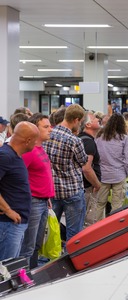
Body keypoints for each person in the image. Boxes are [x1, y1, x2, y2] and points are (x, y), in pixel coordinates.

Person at [44, 104, 88, 243]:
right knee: (74, 233)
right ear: (76, 120)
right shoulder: (74, 140)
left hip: (53, 191)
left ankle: (48, 259)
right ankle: (72, 259)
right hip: (72, 191)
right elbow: (83, 160)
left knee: (50, 229)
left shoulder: (48, 134)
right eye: (80, 122)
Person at [0, 121, 39, 261]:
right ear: (28, 140)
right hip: (8, 224)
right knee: (5, 270)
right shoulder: (6, 156)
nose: (35, 144)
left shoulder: (14, 156)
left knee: (11, 268)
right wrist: (8, 210)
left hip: (14, 224)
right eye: (35, 141)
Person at [19, 114, 54, 268]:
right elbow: (19, 177)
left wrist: (47, 196)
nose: (50, 129)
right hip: (33, 202)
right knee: (28, 245)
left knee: (36, 243)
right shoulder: (29, 152)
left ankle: (32, 272)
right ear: (35, 129)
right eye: (45, 127)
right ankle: (23, 276)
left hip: (42, 200)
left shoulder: (39, 149)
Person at [95, 114, 128, 221]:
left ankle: (98, 228)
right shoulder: (124, 138)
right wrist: (125, 173)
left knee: (99, 204)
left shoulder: (99, 137)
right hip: (119, 175)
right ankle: (114, 227)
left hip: (103, 175)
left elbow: (96, 156)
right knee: (117, 205)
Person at [79, 111, 102, 227]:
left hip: (83, 186)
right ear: (88, 124)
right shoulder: (88, 142)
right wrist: (97, 184)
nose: (98, 119)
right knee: (88, 221)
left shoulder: (83, 139)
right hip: (88, 187)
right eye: (94, 118)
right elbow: (87, 168)